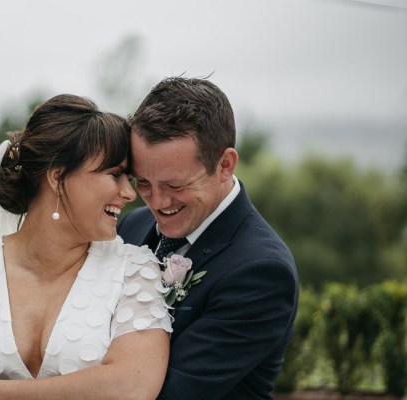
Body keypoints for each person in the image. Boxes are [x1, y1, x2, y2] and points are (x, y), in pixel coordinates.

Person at [0, 94, 172, 400]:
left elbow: (132, 387)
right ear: (58, 177)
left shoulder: (134, 271)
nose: (129, 193)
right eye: (115, 174)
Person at [117, 76, 299, 399]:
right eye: (143, 182)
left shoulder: (261, 272)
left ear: (225, 165)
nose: (157, 202)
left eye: (175, 186)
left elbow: (172, 393)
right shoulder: (131, 225)